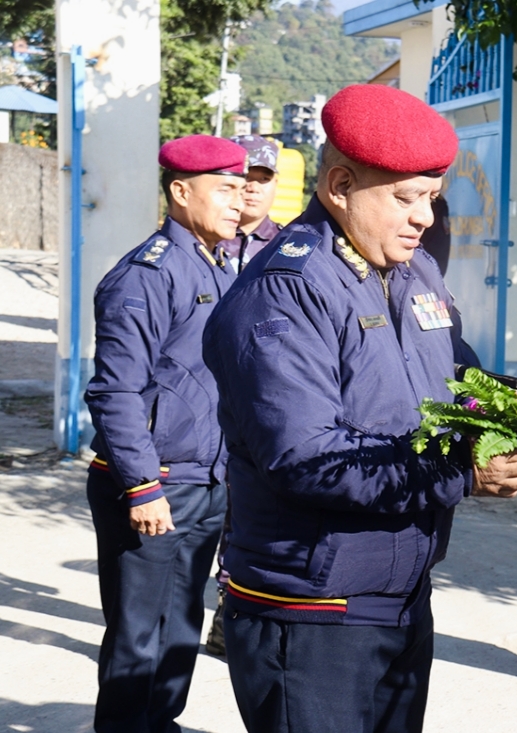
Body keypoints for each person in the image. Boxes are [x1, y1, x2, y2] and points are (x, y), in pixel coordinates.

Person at [201, 84, 517, 733]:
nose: (423, 218)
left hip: (398, 595)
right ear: (338, 185)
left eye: (431, 199)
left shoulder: (412, 273)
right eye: (404, 197)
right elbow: (307, 458)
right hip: (310, 614)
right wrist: (466, 472)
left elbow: (456, 376)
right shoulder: (284, 295)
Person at [84, 134, 245, 732]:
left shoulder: (215, 265)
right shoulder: (145, 276)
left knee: (179, 626)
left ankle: (162, 722)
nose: (239, 201)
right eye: (225, 189)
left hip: (205, 480)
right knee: (136, 637)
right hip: (155, 484)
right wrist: (144, 485)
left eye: (241, 189)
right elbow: (114, 391)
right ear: (181, 192)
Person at [203, 133, 284, 657]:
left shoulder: (292, 245)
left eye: (262, 180)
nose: (251, 191)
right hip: (198, 404)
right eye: (242, 180)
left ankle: (229, 616)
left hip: (258, 404)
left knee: (248, 510)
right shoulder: (204, 239)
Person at [221, 134, 282, 274]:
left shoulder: (286, 243)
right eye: (246, 177)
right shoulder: (206, 239)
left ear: (275, 185)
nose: (253, 188)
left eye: (264, 179)